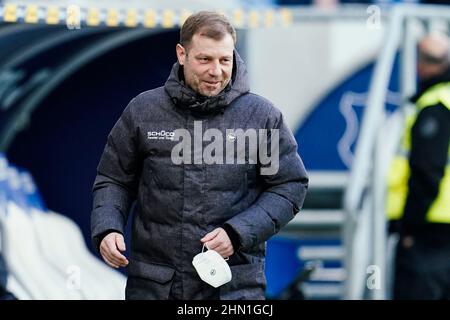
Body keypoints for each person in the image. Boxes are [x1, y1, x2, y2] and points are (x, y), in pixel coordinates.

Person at [91, 11, 308, 300]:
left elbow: (289, 186)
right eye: (205, 59)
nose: (216, 71)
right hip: (155, 287)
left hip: (233, 290)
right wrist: (107, 227)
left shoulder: (262, 117)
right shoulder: (143, 111)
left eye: (224, 60)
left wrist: (238, 233)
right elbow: (113, 178)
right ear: (182, 54)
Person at [386, 32, 450, 299]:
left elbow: (427, 172)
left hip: (429, 232)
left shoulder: (434, 105)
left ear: (420, 65)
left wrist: (409, 227)